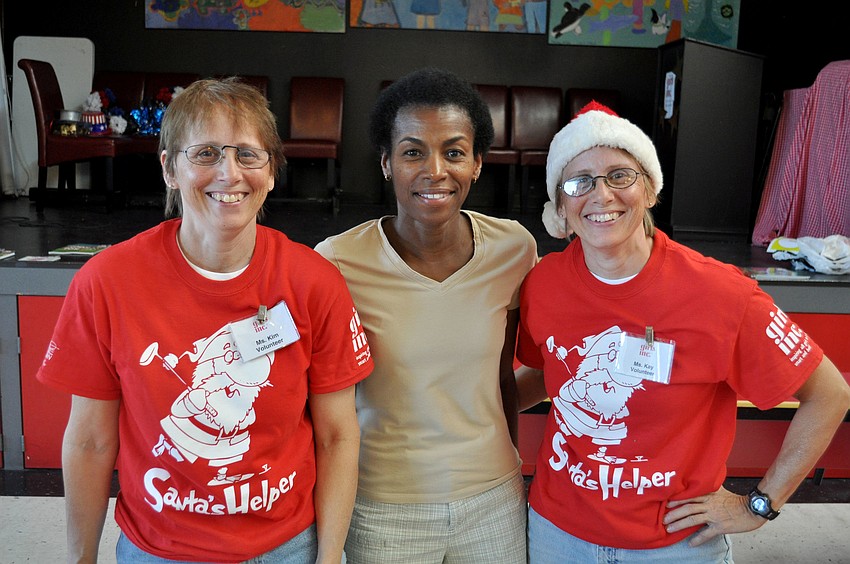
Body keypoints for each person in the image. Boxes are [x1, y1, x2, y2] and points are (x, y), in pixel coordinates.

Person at [36, 78, 373, 563]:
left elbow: (337, 434)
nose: (229, 173)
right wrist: (81, 559)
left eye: (248, 155)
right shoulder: (107, 283)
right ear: (170, 168)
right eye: (207, 154)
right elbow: (89, 440)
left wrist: (329, 557)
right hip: (158, 549)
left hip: (286, 548)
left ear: (272, 171)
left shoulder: (314, 283)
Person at [515, 101, 850, 563]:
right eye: (579, 181)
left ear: (649, 189)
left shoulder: (721, 294)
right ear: (561, 206)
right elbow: (546, 374)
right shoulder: (543, 282)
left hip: (674, 547)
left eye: (620, 175)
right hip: (556, 534)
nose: (601, 195)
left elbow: (830, 394)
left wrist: (760, 503)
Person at [315, 67, 538, 563]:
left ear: (478, 163)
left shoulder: (513, 249)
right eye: (413, 151)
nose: (435, 169)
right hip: (384, 508)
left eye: (454, 152)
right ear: (386, 162)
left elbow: (502, 376)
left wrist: (512, 465)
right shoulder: (335, 261)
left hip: (493, 501)